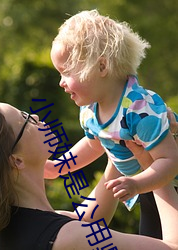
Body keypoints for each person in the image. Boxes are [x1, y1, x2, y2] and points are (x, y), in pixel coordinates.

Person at [0, 98, 178, 250]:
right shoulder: (68, 238)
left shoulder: (6, 232)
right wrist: (154, 165)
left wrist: (118, 137)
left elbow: (90, 221)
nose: (35, 117)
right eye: (25, 120)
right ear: (16, 160)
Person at [46, 9, 178, 239]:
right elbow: (95, 144)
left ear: (101, 67)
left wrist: (136, 184)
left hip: (167, 186)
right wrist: (60, 166)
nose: (60, 83)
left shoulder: (139, 109)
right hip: (147, 189)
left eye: (66, 72)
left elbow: (170, 160)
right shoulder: (90, 109)